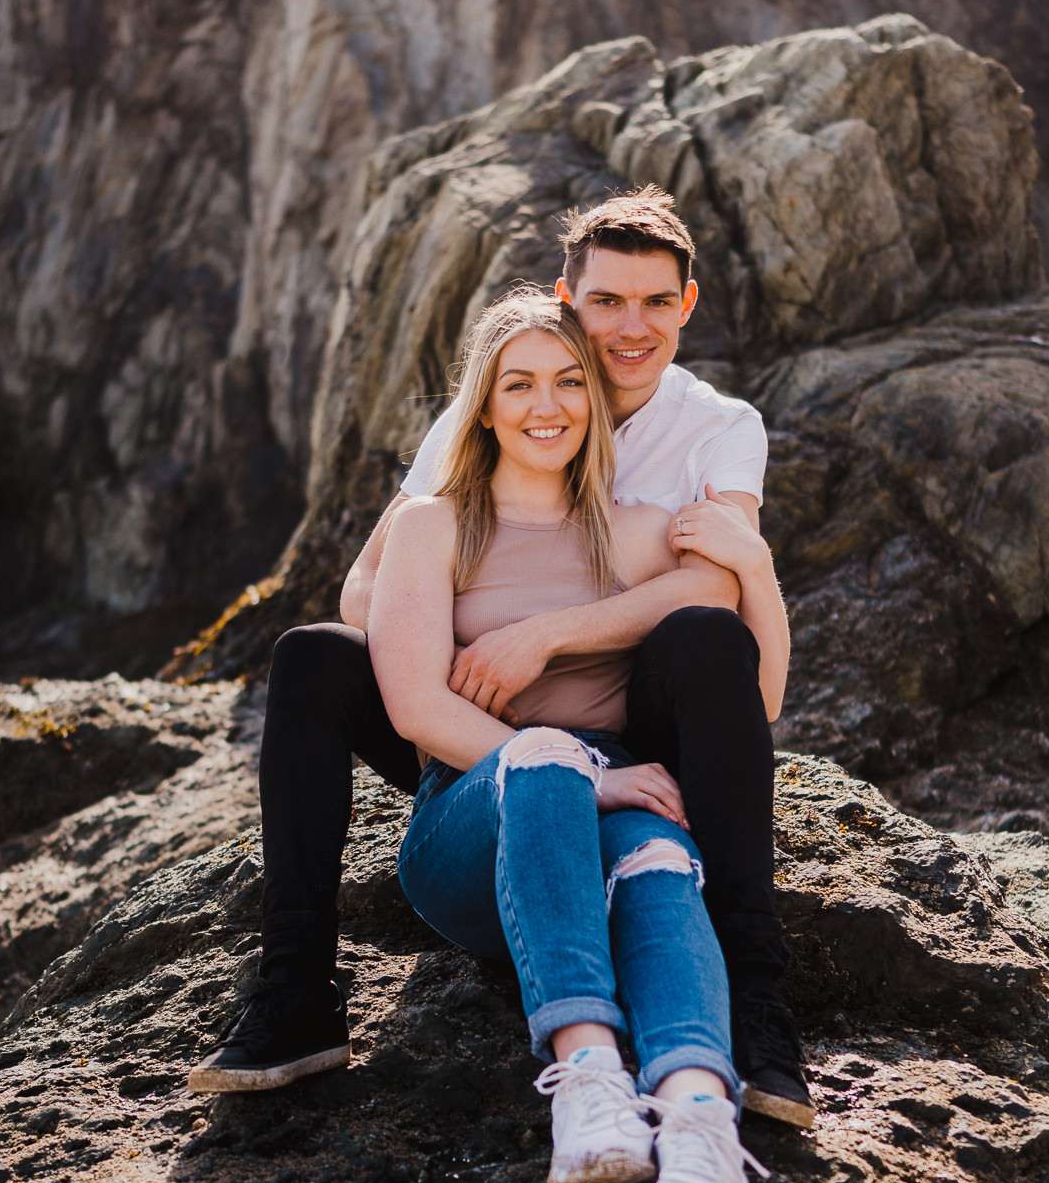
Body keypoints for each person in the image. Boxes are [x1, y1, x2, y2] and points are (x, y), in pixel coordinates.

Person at [188, 188, 810, 1127]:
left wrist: (547, 634)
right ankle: (295, 992)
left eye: (653, 302)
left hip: (628, 712)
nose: (627, 328)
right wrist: (465, 637)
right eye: (605, 302)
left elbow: (709, 587)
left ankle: (755, 1001)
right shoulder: (510, 393)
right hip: (472, 709)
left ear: (686, 305)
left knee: (706, 640)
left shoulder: (713, 428)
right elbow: (365, 592)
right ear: (569, 298)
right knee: (315, 657)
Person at [373, 287, 770, 1183]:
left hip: (618, 810)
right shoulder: (432, 523)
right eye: (518, 383)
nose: (544, 403)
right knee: (549, 757)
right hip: (472, 832)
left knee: (662, 863)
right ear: (483, 401)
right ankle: (587, 1078)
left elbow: (718, 600)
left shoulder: (634, 529)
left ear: (593, 401)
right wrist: (591, 774)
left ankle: (696, 1131)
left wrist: (746, 567)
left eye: (565, 382)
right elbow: (415, 708)